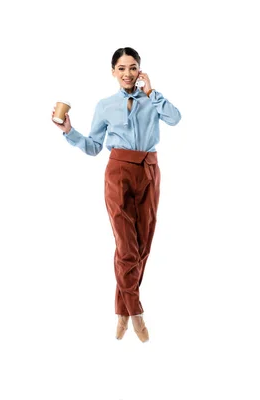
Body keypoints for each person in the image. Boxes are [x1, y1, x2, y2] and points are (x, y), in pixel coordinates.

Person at [52, 47, 181, 342]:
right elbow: (94, 146)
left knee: (143, 246)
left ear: (140, 71)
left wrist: (153, 93)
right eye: (122, 68)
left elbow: (175, 119)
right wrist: (69, 131)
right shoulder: (105, 105)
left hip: (149, 171)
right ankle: (136, 313)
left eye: (133, 68)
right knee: (127, 247)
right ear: (113, 72)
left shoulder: (152, 101)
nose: (128, 73)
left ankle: (121, 312)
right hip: (119, 172)